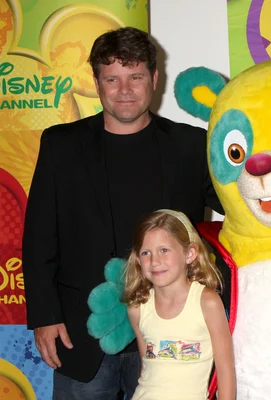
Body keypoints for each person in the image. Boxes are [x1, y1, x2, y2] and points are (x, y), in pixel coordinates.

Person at [22, 27, 222, 399]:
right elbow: (38, 239)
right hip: (81, 333)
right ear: (97, 83)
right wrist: (45, 316)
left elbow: (240, 212)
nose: (125, 89)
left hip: (173, 333)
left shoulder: (191, 145)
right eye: (112, 78)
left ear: (154, 79)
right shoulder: (60, 146)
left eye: (135, 77)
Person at [124, 209, 234, 400]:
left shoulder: (206, 302)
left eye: (164, 250)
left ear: (189, 254)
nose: (154, 261)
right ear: (138, 261)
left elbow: (225, 370)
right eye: (146, 253)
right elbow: (147, 368)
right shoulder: (138, 308)